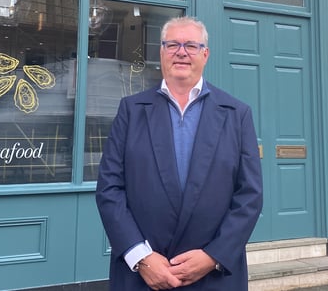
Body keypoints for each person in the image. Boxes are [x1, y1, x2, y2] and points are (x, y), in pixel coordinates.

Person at [96, 16, 263, 290]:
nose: (181, 52)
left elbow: (250, 195)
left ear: (205, 54)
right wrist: (142, 257)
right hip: (143, 276)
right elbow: (109, 188)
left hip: (214, 278)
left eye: (191, 46)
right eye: (172, 44)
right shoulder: (132, 110)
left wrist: (214, 255)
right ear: (162, 52)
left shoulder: (237, 114)